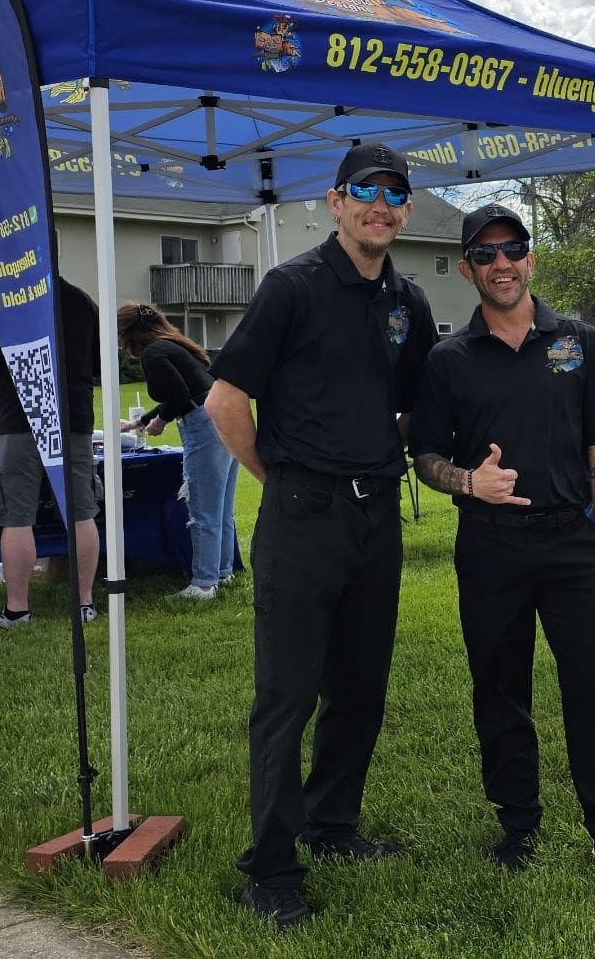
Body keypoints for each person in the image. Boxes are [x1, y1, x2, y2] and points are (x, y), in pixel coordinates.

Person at [206, 142, 438, 927]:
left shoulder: (409, 301)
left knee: (360, 686)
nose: (381, 205)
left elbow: (411, 402)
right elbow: (225, 397)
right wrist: (277, 476)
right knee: (287, 694)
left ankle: (333, 824)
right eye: (364, 191)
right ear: (335, 203)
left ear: (404, 210)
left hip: (377, 513)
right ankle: (270, 867)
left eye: (394, 194)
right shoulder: (291, 286)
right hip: (303, 513)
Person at [408, 203, 595, 877]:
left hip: (571, 543)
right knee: (498, 688)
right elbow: (424, 455)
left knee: (590, 687)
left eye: (512, 248)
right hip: (489, 545)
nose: (501, 263)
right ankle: (517, 826)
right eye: (485, 254)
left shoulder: (580, 342)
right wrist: (467, 481)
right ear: (467, 270)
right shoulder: (447, 359)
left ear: (530, 259)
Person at [0, 279, 101, 630]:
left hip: (15, 419)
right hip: (73, 418)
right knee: (81, 510)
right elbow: (98, 363)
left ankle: (17, 611)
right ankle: (84, 604)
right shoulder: (79, 299)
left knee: (16, 516)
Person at [116, 302, 239, 599]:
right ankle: (222, 573)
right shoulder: (172, 346)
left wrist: (160, 421)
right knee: (220, 507)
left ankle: (203, 584)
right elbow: (187, 389)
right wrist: (140, 422)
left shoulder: (153, 354)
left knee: (202, 509)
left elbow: (181, 395)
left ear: (128, 333)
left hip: (202, 425)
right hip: (224, 418)